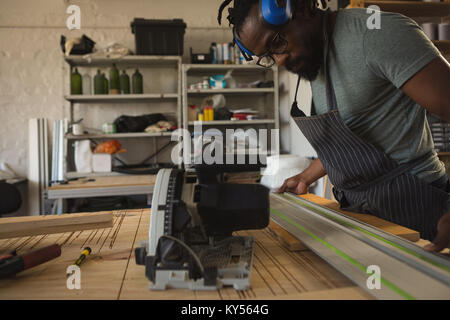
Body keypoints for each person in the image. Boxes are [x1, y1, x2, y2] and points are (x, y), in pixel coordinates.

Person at [217, 0, 450, 252]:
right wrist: (305, 176)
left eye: (276, 43)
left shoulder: (377, 34)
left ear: (303, 8)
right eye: (268, 56)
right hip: (366, 216)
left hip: (421, 210)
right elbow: (355, 143)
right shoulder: (316, 59)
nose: (279, 60)